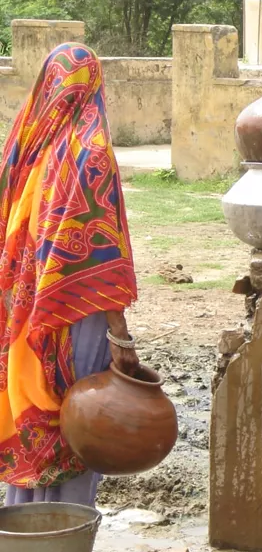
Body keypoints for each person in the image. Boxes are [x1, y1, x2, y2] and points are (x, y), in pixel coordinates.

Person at [0, 43, 139, 507]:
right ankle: (64, 530)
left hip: (23, 323)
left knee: (33, 422)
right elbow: (99, 257)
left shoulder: (25, 149)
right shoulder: (89, 152)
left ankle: (24, 530)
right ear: (94, 86)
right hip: (77, 316)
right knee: (80, 425)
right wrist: (120, 338)